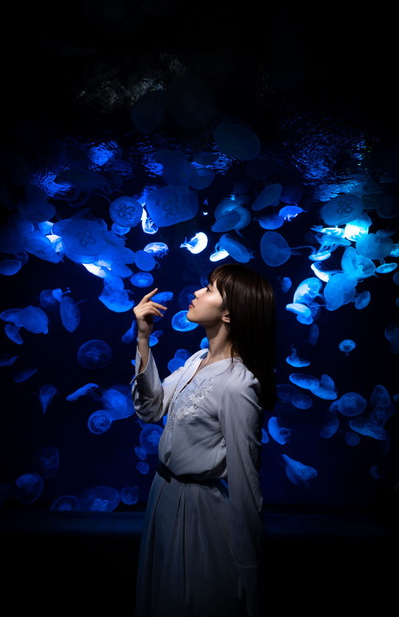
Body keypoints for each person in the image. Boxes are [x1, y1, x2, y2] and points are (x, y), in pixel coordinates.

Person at [131, 263, 276, 616]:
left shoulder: (239, 385)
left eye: (209, 289)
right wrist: (143, 338)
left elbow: (245, 484)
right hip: (163, 495)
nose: (196, 293)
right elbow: (150, 409)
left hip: (198, 509)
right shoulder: (197, 359)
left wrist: (252, 574)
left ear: (229, 313)